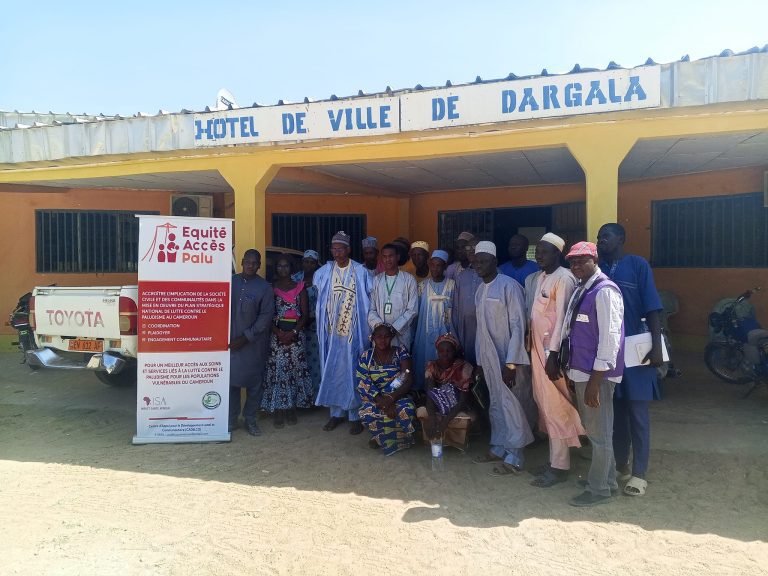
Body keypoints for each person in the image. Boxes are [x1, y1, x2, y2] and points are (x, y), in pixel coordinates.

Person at [598, 223, 663, 498]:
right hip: (610, 352)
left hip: (637, 349)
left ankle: (639, 474)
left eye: (606, 236)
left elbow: (653, 308)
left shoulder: (637, 265)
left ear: (621, 238)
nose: (601, 241)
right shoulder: (597, 268)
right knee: (616, 413)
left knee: (637, 413)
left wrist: (657, 347)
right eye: (598, 237)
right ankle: (620, 466)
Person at [563, 241, 625, 507]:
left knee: (599, 434)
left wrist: (595, 383)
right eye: (572, 262)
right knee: (596, 431)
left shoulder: (605, 291)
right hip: (582, 371)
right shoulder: (583, 288)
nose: (576, 265)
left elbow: (610, 341)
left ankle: (598, 489)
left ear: (595, 260)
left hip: (596, 376)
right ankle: (607, 481)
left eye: (582, 260)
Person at [527, 233, 585, 488]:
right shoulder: (542, 277)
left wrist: (553, 355)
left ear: (557, 254)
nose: (539, 255)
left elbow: (562, 320)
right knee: (545, 405)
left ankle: (560, 467)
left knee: (556, 407)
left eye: (545, 251)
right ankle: (554, 460)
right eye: (538, 251)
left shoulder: (564, 278)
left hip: (551, 355)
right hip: (537, 351)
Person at [471, 241, 534, 475]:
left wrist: (512, 363)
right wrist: (480, 361)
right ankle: (498, 447)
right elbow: (480, 329)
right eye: (476, 261)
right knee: (496, 402)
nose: (479, 265)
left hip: (508, 359)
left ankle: (515, 456)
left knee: (512, 404)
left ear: (495, 262)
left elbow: (519, 326)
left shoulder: (510, 286)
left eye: (484, 261)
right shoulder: (480, 290)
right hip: (489, 358)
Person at [314, 231, 372, 434]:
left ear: (348, 250)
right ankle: (336, 414)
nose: (337, 253)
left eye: (340, 249)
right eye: (334, 249)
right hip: (331, 333)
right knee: (332, 370)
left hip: (353, 333)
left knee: (353, 371)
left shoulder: (361, 271)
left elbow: (369, 298)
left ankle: (355, 415)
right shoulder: (324, 272)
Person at [263, 255, 314, 428]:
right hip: (276, 336)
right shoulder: (271, 288)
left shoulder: (300, 287)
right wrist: (278, 332)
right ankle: (278, 409)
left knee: (294, 370)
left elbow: (305, 315)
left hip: (296, 336)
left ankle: (291, 408)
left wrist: (293, 332)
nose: (283, 269)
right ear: (276, 268)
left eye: (286, 266)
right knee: (278, 371)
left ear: (291, 268)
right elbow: (267, 314)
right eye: (279, 266)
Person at [229, 249, 275, 436]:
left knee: (254, 385)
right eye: (247, 262)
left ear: (259, 265)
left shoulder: (265, 288)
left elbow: (265, 318)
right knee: (231, 383)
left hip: (253, 345)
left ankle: (250, 419)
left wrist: (245, 338)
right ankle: (231, 420)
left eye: (254, 263)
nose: (250, 265)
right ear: (241, 262)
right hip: (231, 344)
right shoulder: (230, 282)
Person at [356, 323, 416, 455]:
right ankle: (380, 437)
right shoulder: (366, 356)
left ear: (392, 337)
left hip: (398, 395)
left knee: (406, 409)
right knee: (366, 412)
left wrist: (391, 398)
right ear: (372, 338)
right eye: (379, 337)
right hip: (375, 398)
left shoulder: (401, 353)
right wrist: (383, 402)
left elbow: (407, 376)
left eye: (386, 336)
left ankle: (395, 439)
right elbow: (363, 381)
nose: (382, 340)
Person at [416, 333, 476, 451]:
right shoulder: (432, 366)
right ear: (437, 351)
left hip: (458, 405)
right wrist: (432, 419)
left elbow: (462, 401)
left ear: (455, 351)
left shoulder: (463, 367)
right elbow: (430, 394)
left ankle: (455, 442)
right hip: (438, 405)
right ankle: (435, 441)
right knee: (423, 413)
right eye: (441, 351)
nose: (445, 354)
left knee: (471, 417)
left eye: (449, 350)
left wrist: (444, 423)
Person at [412, 250, 455, 391]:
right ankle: (424, 393)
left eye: (439, 265)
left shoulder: (452, 286)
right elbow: (416, 312)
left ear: (445, 267)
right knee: (424, 362)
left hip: (446, 334)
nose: (435, 269)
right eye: (433, 265)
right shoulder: (422, 286)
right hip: (424, 335)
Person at [368, 243, 419, 350]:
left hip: (401, 334)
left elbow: (412, 310)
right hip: (380, 335)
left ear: (397, 257)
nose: (388, 260)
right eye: (384, 257)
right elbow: (371, 309)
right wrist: (380, 327)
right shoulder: (376, 280)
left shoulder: (409, 279)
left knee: (400, 359)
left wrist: (394, 328)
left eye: (391, 256)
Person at [293, 250, 322, 397]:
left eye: (312, 262)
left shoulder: (321, 279)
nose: (308, 265)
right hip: (297, 328)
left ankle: (315, 396)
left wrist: (311, 317)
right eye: (306, 261)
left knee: (315, 363)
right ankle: (301, 397)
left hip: (315, 329)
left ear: (317, 264)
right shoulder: (295, 279)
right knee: (298, 362)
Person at [451, 239, 482, 364]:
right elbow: (455, 308)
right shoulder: (461, 276)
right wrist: (455, 335)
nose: (471, 251)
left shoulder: (494, 275)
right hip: (465, 329)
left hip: (484, 328)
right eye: (468, 248)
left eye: (474, 247)